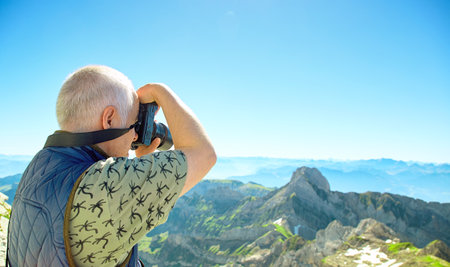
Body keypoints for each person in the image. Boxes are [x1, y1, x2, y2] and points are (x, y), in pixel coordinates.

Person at [6, 65, 216, 266]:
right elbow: (203, 154)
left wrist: (139, 166)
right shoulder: (104, 188)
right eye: (134, 125)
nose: (135, 136)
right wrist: (159, 91)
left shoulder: (41, 163)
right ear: (109, 119)